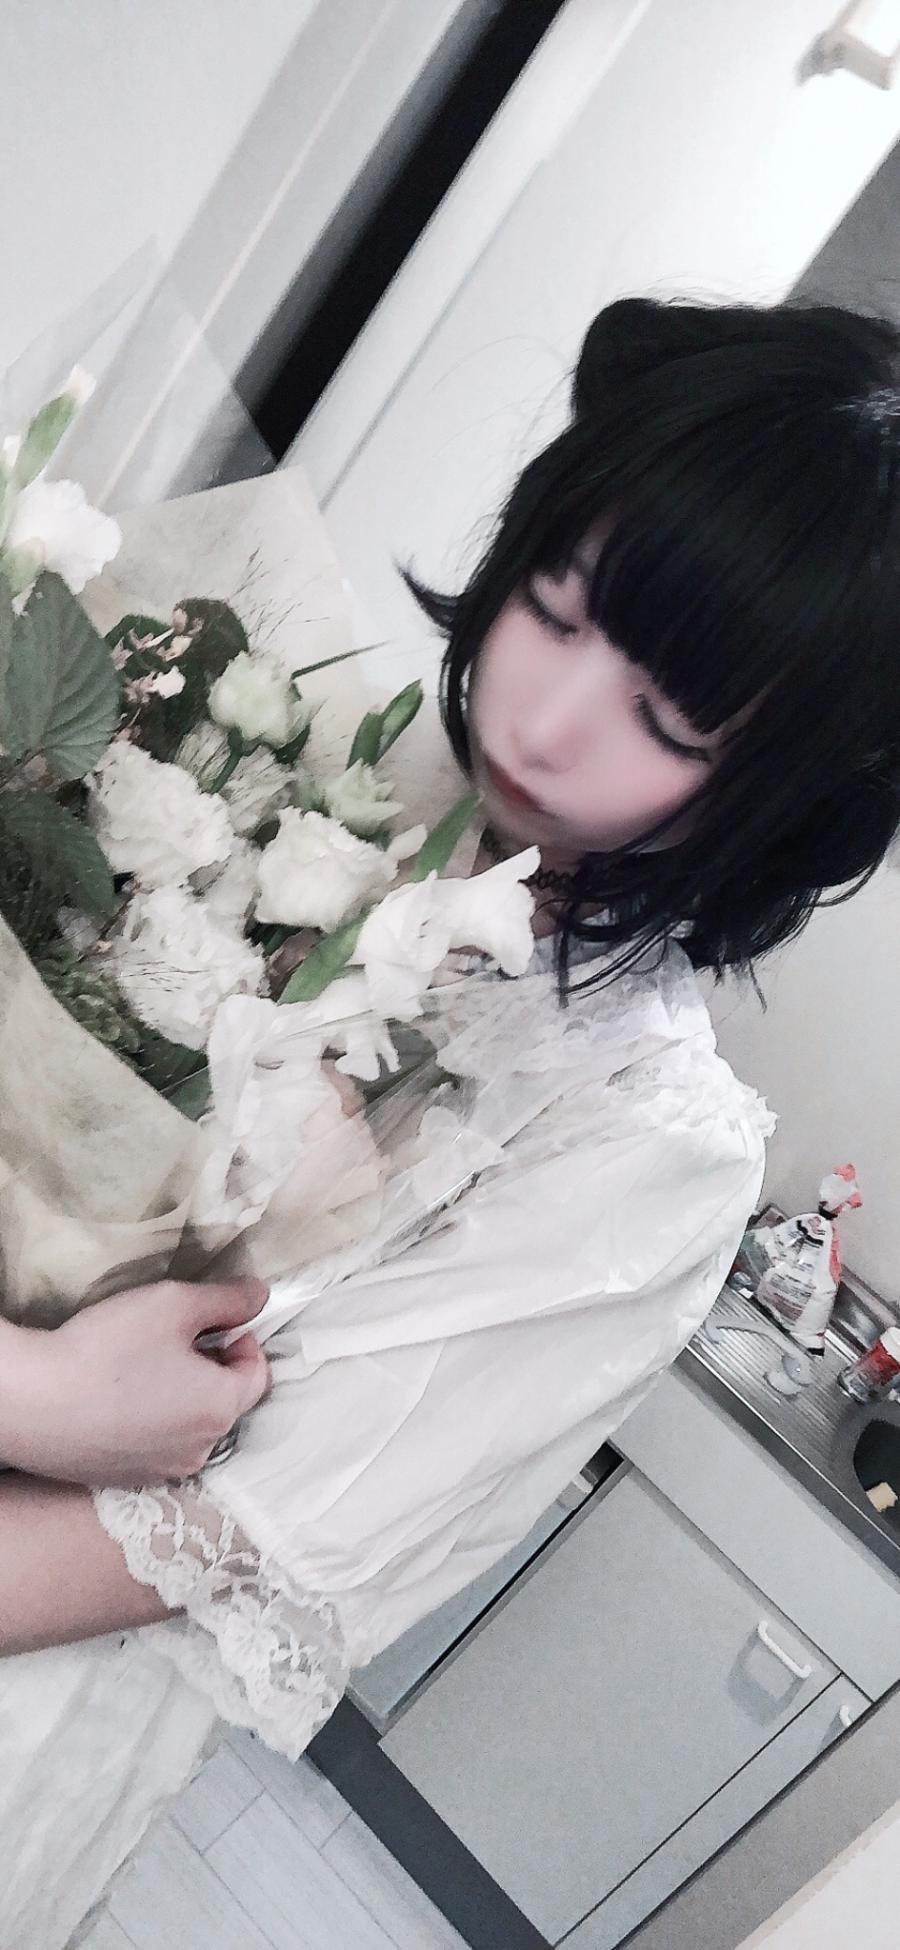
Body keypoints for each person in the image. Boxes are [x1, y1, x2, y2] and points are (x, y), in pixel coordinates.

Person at [3, 294, 900, 1948]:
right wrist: (38, 1385)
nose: (544, 723)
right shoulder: (292, 738)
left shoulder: (647, 1147)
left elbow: (221, 1546)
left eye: (673, 724)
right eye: (556, 604)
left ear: (791, 798)